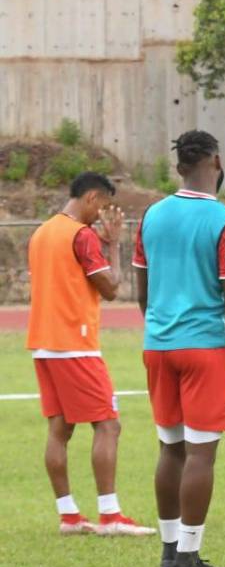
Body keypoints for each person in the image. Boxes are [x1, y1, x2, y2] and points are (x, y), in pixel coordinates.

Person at [134, 131, 225, 567]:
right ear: (217, 162)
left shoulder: (151, 215)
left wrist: (161, 329)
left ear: (179, 167)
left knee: (170, 448)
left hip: (158, 346)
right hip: (203, 348)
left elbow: (142, 292)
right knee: (201, 454)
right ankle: (188, 559)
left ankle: (169, 553)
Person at [26, 172, 153, 537]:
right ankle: (110, 516)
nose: (102, 215)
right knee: (108, 424)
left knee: (59, 428)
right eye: (103, 207)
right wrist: (112, 244)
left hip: (44, 344)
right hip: (75, 344)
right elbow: (111, 288)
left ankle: (69, 516)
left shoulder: (41, 233)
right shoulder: (81, 236)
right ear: (92, 198)